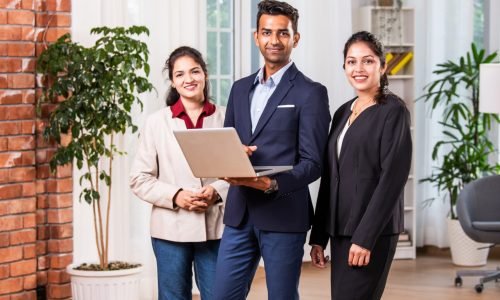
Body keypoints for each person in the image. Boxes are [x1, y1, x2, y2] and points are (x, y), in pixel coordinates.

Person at [213, 1, 331, 299]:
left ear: (295, 38)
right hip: (240, 212)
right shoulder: (239, 89)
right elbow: (230, 143)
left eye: (282, 33)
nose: (274, 40)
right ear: (256, 36)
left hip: (284, 212)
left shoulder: (310, 92)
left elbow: (313, 163)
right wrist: (231, 155)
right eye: (267, 32)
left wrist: (272, 183)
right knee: (222, 294)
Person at [309, 31, 412, 300]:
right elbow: (331, 178)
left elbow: (392, 179)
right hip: (340, 229)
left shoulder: (393, 111)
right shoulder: (343, 112)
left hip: (371, 233)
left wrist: (365, 238)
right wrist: (319, 236)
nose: (359, 68)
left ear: (382, 64)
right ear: (344, 67)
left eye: (367, 61)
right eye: (351, 62)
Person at [129, 46, 228, 300]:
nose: (189, 79)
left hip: (216, 228)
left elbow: (240, 170)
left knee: (219, 295)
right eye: (180, 74)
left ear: (205, 74)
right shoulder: (156, 122)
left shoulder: (227, 117)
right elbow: (139, 178)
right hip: (169, 230)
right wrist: (176, 195)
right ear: (173, 81)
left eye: (195, 71)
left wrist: (217, 191)